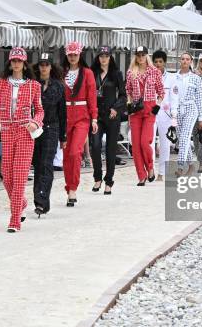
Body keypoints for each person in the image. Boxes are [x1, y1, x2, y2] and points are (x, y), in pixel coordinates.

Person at [0, 47, 44, 233]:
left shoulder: (33, 85)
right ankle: (20, 202)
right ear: (10, 62)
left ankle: (14, 220)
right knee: (7, 177)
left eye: (19, 61)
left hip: (24, 132)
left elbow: (40, 110)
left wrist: (35, 123)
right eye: (14, 60)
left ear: (24, 63)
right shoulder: (0, 84)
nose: (16, 63)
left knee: (20, 176)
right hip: (6, 131)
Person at [61, 41, 98, 206]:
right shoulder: (62, 73)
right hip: (65, 115)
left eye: (75, 54)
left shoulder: (88, 73)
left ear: (80, 54)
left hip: (82, 116)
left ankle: (73, 188)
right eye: (70, 54)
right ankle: (69, 187)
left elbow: (92, 96)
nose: (73, 57)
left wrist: (94, 118)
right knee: (66, 154)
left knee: (75, 152)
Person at [31, 53, 66, 216]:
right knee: (38, 164)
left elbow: (62, 112)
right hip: (35, 128)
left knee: (46, 163)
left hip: (52, 127)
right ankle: (40, 200)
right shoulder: (32, 84)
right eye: (41, 64)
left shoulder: (58, 86)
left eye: (46, 64)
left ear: (51, 67)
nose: (43, 67)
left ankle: (41, 199)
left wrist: (63, 136)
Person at [90, 46, 126, 195]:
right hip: (97, 115)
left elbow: (123, 95)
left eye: (106, 55)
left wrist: (116, 108)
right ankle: (97, 177)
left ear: (110, 57)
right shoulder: (92, 73)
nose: (103, 58)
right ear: (98, 58)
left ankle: (109, 181)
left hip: (112, 116)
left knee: (111, 149)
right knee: (96, 146)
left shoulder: (116, 74)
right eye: (101, 56)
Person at [126, 46, 164, 185]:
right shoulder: (131, 72)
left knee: (144, 142)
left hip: (149, 108)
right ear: (135, 56)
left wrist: (157, 106)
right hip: (136, 109)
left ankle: (150, 167)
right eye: (138, 54)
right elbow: (128, 90)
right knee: (135, 145)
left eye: (143, 54)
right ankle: (141, 175)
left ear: (147, 55)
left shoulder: (154, 71)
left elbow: (161, 92)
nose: (140, 57)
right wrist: (129, 104)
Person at [174, 53, 202, 176]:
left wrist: (201, 118)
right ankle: (191, 165)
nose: (185, 61)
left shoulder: (196, 78)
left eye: (187, 59)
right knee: (181, 139)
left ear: (191, 61)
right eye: (183, 59)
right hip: (176, 110)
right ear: (180, 61)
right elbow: (172, 96)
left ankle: (180, 167)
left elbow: (198, 98)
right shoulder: (174, 77)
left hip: (191, 108)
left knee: (185, 137)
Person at [152, 50, 177, 182]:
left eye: (160, 62)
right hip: (151, 111)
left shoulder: (172, 78)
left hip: (165, 114)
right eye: (155, 61)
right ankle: (150, 171)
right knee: (149, 142)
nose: (158, 64)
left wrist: (174, 115)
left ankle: (162, 173)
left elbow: (174, 97)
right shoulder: (148, 75)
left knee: (165, 143)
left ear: (164, 62)